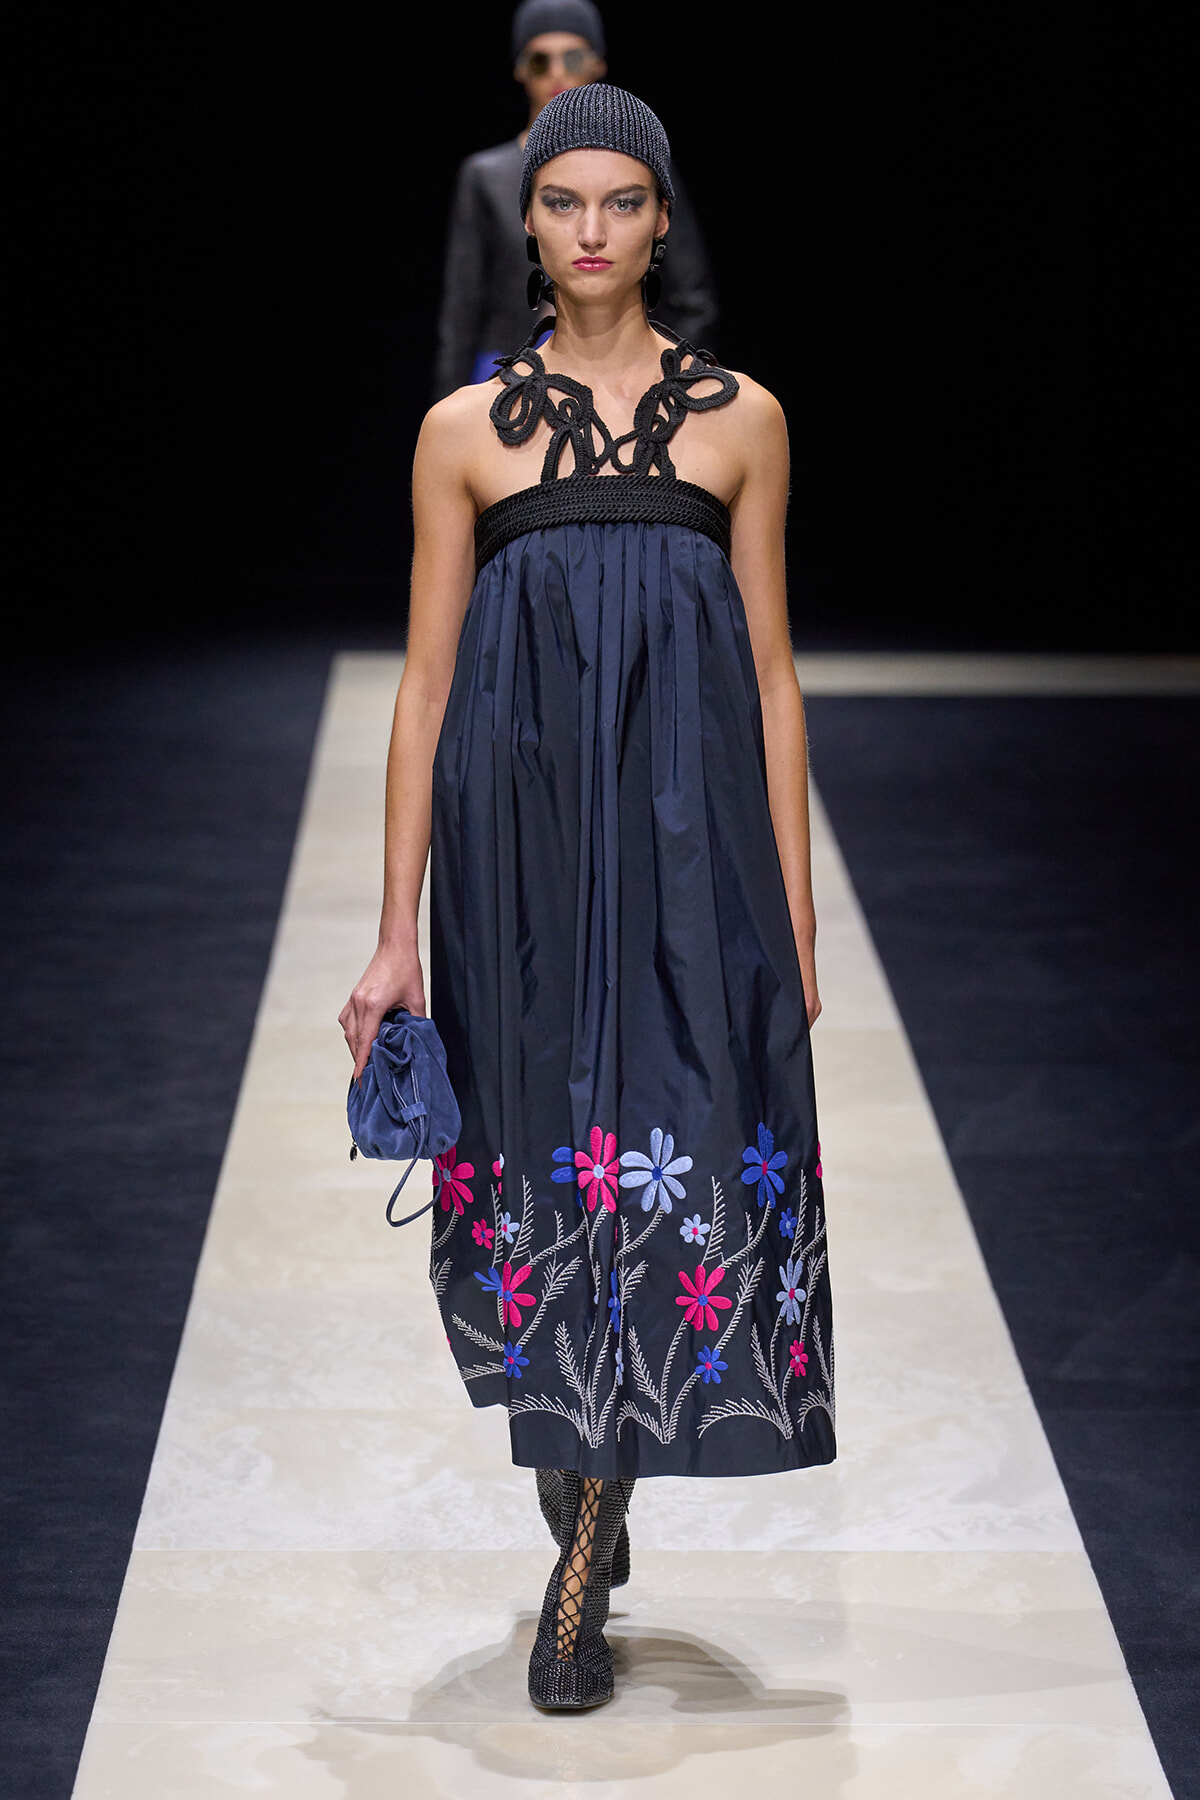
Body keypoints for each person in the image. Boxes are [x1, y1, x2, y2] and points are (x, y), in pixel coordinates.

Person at [341, 84, 835, 1712]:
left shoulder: (744, 420)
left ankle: (583, 1565)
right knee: (543, 1154)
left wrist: (796, 912)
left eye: (624, 201)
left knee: (669, 1146)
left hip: (695, 856)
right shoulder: (462, 433)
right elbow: (424, 687)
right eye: (565, 203)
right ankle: (581, 1489)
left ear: (663, 221)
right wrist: (397, 930)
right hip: (518, 857)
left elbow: (772, 674)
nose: (594, 230)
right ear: (531, 225)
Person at [433, 0, 718, 398]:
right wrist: (448, 407)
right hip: (505, 378)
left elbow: (692, 295)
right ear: (519, 69)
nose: (556, 72)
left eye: (572, 58)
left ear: (597, 63)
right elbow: (461, 310)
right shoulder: (486, 176)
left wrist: (674, 387)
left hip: (637, 381)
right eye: (539, 61)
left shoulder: (642, 164)